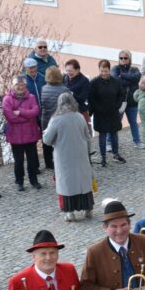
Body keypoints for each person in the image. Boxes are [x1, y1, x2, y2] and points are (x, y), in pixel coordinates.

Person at [42, 93, 94, 222]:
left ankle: (70, 212)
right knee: (83, 183)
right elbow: (87, 136)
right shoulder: (79, 117)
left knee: (67, 184)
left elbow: (47, 140)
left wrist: (45, 134)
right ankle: (88, 209)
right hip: (81, 155)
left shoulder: (56, 120)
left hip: (64, 157)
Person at [2, 76, 42, 192]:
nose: (20, 87)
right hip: (15, 136)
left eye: (22, 85)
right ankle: (19, 182)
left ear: (25, 86)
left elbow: (35, 112)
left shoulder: (32, 97)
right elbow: (10, 117)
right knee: (18, 161)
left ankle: (34, 181)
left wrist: (20, 112)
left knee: (32, 160)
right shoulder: (7, 99)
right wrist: (27, 118)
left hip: (30, 134)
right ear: (13, 86)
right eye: (17, 85)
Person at [88, 60, 127, 167]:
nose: (104, 73)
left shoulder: (116, 81)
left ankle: (115, 154)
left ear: (109, 70)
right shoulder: (94, 83)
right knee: (103, 136)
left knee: (114, 134)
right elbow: (91, 98)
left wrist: (117, 105)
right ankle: (103, 157)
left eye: (106, 71)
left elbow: (121, 95)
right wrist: (98, 108)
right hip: (100, 113)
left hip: (113, 112)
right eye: (102, 71)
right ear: (99, 70)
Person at [39, 66, 70, 171]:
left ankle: (48, 163)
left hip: (46, 119)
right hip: (60, 119)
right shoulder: (64, 89)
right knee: (60, 141)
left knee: (47, 142)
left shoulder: (43, 89)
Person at [112, 50, 142, 148]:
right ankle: (110, 142)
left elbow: (137, 78)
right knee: (115, 123)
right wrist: (129, 80)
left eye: (125, 58)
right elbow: (115, 80)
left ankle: (137, 141)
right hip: (119, 101)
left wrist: (123, 76)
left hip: (132, 101)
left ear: (129, 59)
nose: (123, 60)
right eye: (121, 58)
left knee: (133, 122)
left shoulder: (134, 69)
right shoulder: (115, 69)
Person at [21, 58, 45, 130]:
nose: (33, 69)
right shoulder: (22, 80)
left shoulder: (42, 78)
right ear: (26, 68)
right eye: (30, 68)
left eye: (34, 67)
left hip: (44, 112)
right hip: (31, 114)